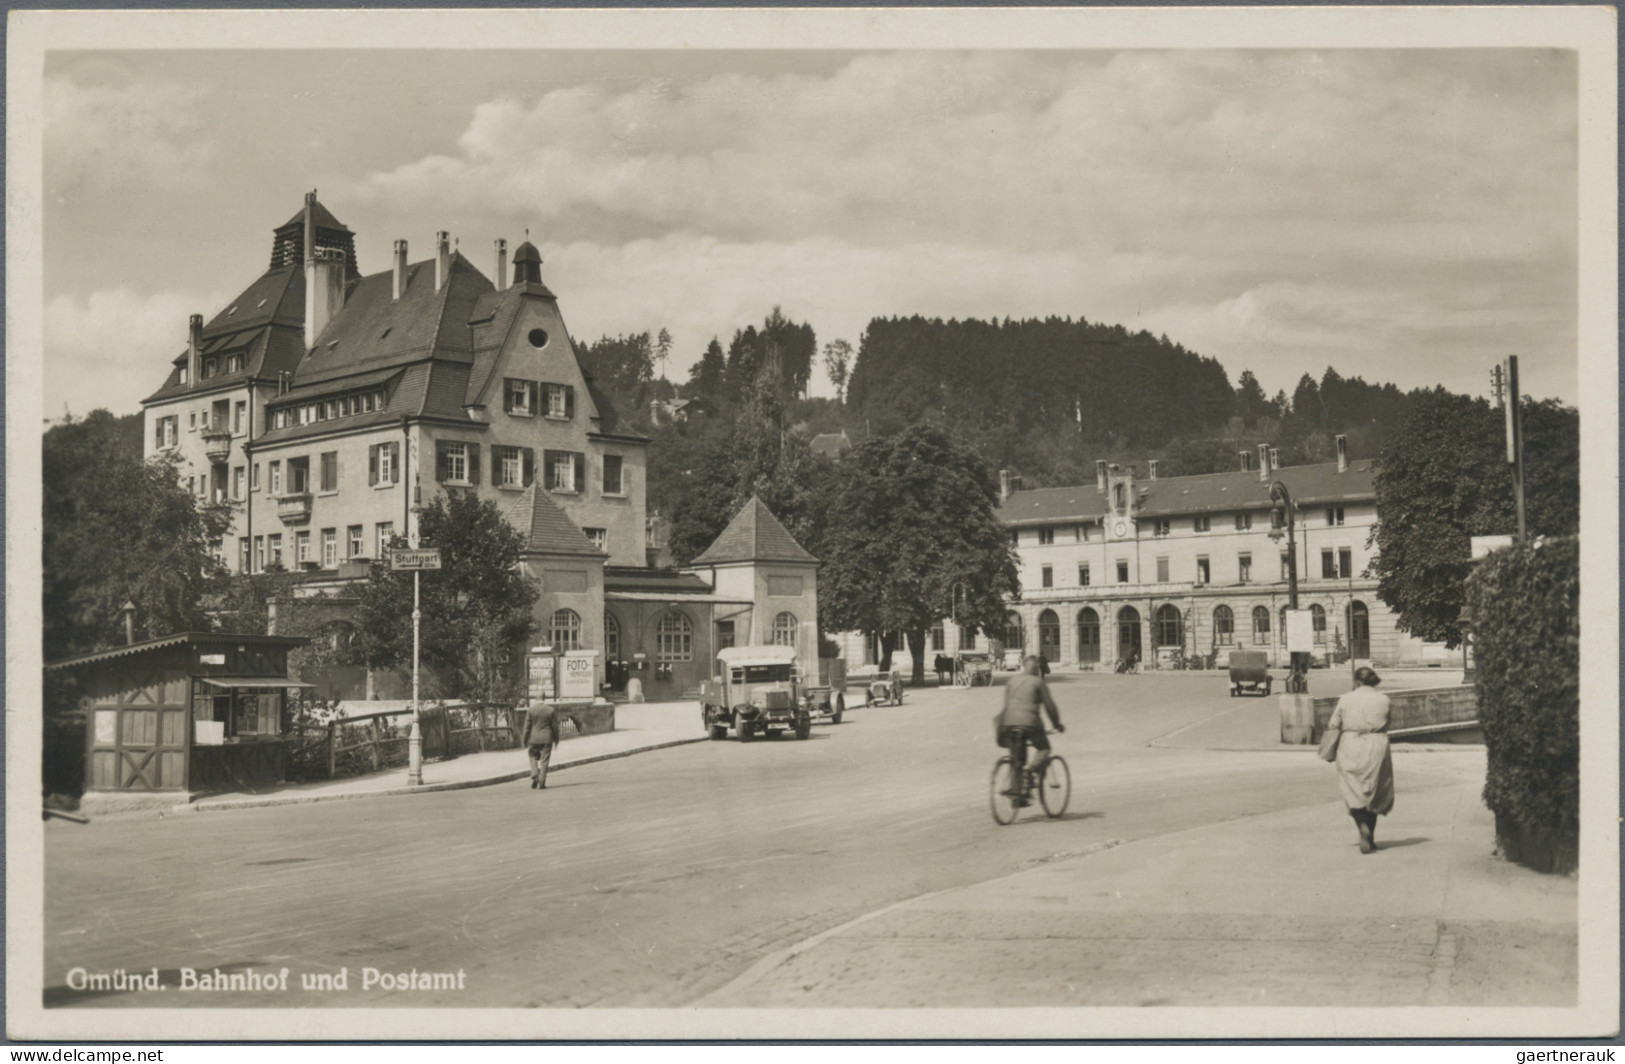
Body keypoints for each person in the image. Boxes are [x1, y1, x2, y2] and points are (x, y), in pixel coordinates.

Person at [1327, 666, 1394, 853]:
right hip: (1377, 743)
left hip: (1351, 743)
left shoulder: (1346, 698)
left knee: (1352, 790)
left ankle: (1362, 828)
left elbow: (1333, 723)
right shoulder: (1384, 699)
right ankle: (1370, 835)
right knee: (1374, 790)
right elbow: (1389, 722)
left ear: (1357, 681)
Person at [997, 655, 1064, 806]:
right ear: (1036, 669)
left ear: (1023, 666)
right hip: (1030, 724)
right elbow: (1050, 707)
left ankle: (1017, 796)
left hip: (1009, 724)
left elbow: (1006, 705)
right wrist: (1057, 724)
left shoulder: (1011, 681)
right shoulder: (1038, 682)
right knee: (1044, 748)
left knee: (1017, 759)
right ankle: (1030, 771)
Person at [519, 700, 561, 790]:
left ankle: (535, 774)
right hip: (547, 738)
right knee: (544, 760)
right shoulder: (550, 710)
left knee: (532, 756)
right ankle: (542, 782)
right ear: (544, 698)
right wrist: (556, 739)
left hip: (534, 739)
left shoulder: (531, 710)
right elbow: (555, 726)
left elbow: (527, 727)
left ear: (536, 699)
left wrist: (524, 740)